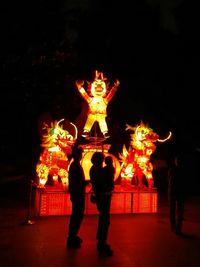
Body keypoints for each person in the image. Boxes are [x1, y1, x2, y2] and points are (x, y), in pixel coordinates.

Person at [89, 152, 114, 256]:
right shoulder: (98, 170)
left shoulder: (95, 169)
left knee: (104, 219)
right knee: (104, 220)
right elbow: (103, 183)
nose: (103, 161)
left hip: (102, 197)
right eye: (102, 159)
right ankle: (101, 243)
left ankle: (101, 241)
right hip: (103, 197)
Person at [67, 146, 88, 249]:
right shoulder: (75, 166)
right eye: (80, 154)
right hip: (78, 194)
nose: (81, 155)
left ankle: (73, 236)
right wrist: (88, 181)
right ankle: (72, 237)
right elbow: (79, 181)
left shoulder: (74, 165)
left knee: (76, 215)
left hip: (76, 193)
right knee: (77, 215)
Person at [168, 154, 187, 235]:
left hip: (173, 192)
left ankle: (173, 225)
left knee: (173, 210)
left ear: (176, 162)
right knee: (180, 211)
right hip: (180, 192)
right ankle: (178, 228)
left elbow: (169, 181)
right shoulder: (184, 171)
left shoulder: (172, 170)